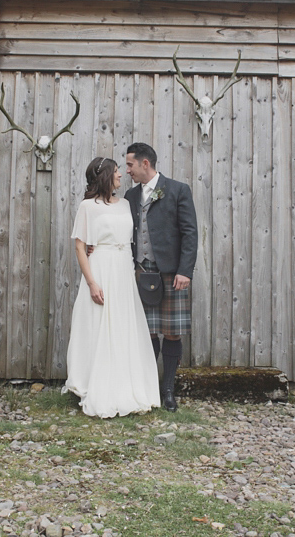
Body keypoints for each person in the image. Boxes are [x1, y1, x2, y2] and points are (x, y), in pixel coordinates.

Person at [62, 157, 161, 418]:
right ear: (106, 176)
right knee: (97, 325)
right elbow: (80, 247)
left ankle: (126, 383)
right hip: (102, 268)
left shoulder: (127, 203)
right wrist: (92, 282)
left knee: (122, 325)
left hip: (123, 269)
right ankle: (91, 382)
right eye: (117, 172)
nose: (121, 175)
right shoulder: (87, 207)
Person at [124, 143, 198, 412]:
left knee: (173, 333)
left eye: (130, 164)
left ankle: (168, 389)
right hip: (142, 273)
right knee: (148, 333)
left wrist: (185, 270)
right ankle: (148, 388)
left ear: (145, 164)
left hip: (172, 273)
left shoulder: (177, 190)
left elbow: (190, 233)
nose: (127, 170)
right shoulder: (130, 196)